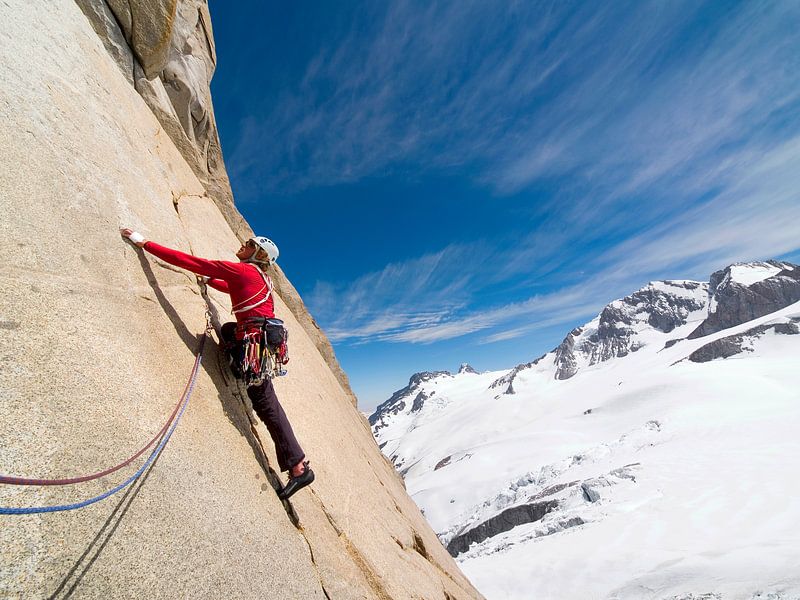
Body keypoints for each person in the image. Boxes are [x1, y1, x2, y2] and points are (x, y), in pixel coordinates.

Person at [120, 227, 314, 500]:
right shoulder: (260, 277)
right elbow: (230, 285)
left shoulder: (244, 270)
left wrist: (144, 243)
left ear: (257, 253)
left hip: (253, 344)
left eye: (248, 244)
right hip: (261, 339)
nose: (242, 245)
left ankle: (298, 466)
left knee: (266, 404)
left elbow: (192, 262)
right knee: (227, 331)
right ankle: (240, 366)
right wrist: (211, 281)